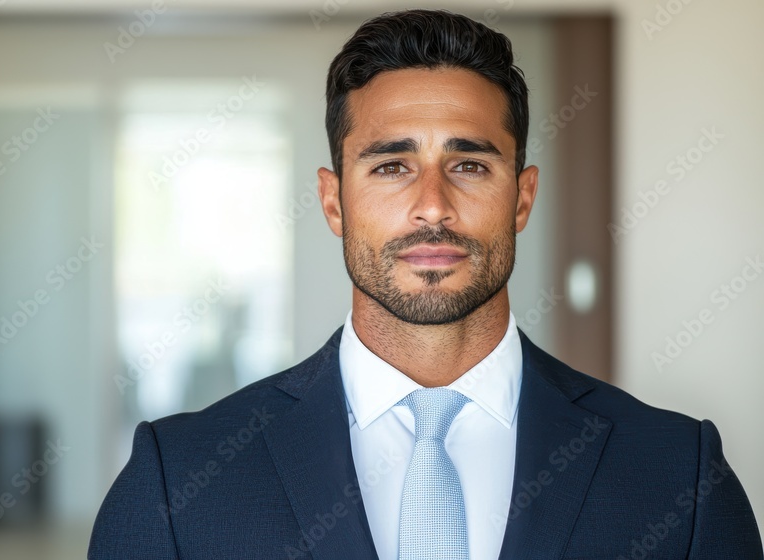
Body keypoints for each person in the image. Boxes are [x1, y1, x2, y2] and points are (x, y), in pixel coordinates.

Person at [88, 9, 762, 559]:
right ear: (332, 202)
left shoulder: (681, 478)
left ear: (522, 198)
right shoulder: (176, 484)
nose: (433, 206)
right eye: (391, 166)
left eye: (469, 165)